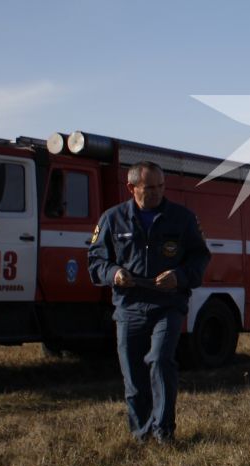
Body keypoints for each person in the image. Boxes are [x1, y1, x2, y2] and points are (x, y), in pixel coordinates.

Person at [88, 162, 211, 443]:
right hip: (129, 306)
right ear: (131, 188)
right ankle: (141, 435)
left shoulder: (182, 219)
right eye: (149, 188)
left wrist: (179, 276)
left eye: (160, 187)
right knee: (133, 375)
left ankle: (163, 432)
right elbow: (96, 261)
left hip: (167, 305)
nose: (156, 193)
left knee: (159, 360)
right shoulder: (112, 219)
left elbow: (200, 258)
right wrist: (114, 273)